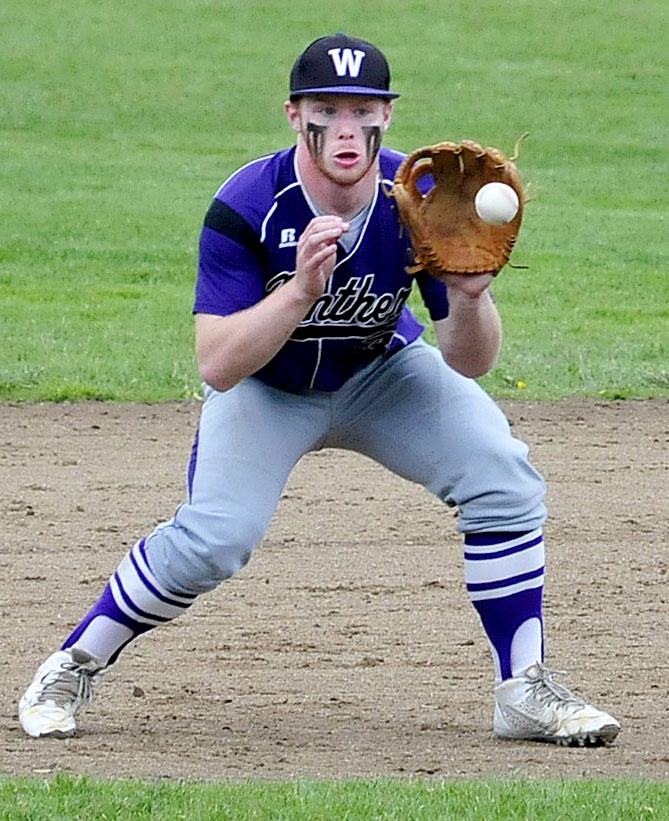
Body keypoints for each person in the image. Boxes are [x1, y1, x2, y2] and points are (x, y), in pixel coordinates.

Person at [19, 33, 620, 747]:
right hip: (267, 386)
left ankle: (522, 689)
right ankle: (74, 661)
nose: (345, 126)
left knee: (504, 478)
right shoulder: (247, 203)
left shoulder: (418, 199)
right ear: (292, 115)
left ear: (387, 118)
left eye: (362, 108)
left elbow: (470, 362)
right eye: (325, 108)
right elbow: (217, 364)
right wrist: (301, 290)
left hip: (382, 373)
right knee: (215, 539)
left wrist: (467, 298)